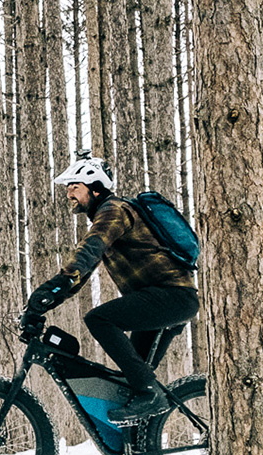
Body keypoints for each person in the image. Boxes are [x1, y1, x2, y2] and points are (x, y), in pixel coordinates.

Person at [23, 153, 199, 426]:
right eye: (68, 188)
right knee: (131, 383)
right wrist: (49, 300)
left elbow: (88, 252)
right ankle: (142, 447)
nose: (69, 193)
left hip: (172, 295)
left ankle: (150, 394)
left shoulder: (113, 210)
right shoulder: (108, 215)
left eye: (74, 187)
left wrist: (51, 287)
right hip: (162, 298)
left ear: (95, 188)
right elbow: (83, 272)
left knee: (99, 318)